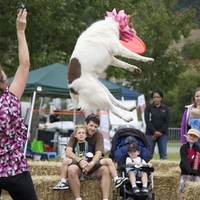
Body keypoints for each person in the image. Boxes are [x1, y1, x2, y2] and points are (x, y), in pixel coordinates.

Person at [0, 9, 38, 200]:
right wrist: (20, 31)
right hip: (15, 168)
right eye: (6, 77)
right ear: (2, 84)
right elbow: (24, 64)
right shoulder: (9, 98)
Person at [53, 123, 128, 191]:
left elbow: (97, 154)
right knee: (65, 160)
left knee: (108, 160)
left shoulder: (90, 144)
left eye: (83, 133)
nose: (81, 135)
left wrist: (90, 163)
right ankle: (63, 181)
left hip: (90, 163)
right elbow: (68, 153)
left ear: (86, 135)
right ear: (75, 135)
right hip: (78, 162)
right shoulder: (74, 143)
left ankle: (116, 179)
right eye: (79, 133)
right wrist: (79, 160)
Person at [144, 90, 170, 160]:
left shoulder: (166, 108)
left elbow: (167, 122)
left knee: (163, 154)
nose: (156, 99)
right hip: (150, 134)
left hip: (163, 134)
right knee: (149, 153)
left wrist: (159, 133)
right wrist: (154, 132)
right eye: (154, 97)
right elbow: (147, 121)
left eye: (158, 97)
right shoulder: (148, 108)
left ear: (161, 98)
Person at [179, 129, 200, 200]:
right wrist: (189, 170)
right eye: (191, 135)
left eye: (195, 136)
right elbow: (184, 160)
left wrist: (194, 170)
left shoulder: (198, 148)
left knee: (197, 190)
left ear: (197, 139)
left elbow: (197, 159)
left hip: (196, 172)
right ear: (187, 136)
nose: (192, 137)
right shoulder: (183, 148)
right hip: (185, 171)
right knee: (183, 189)